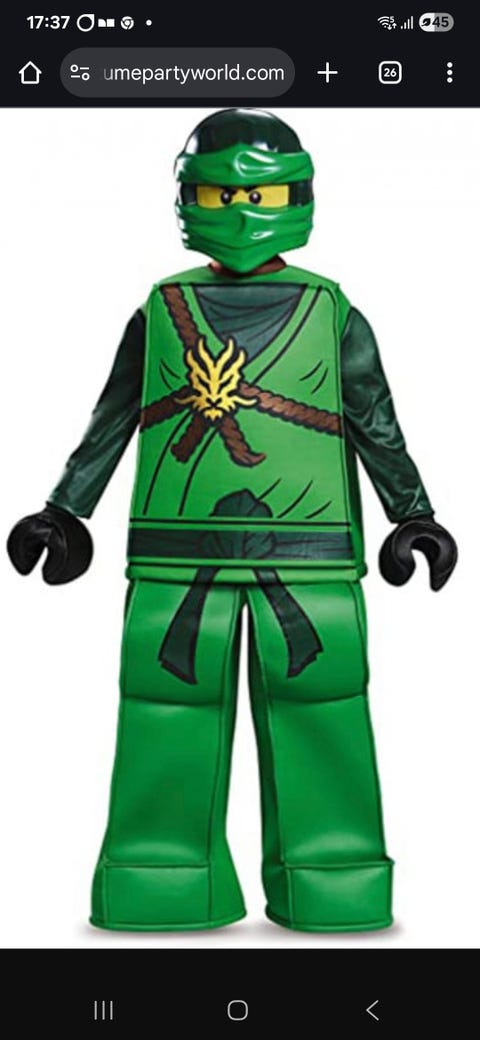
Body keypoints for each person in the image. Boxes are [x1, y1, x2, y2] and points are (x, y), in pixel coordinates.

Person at [7, 108, 457, 932]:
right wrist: (65, 510)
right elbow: (114, 417)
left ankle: (335, 881)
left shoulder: (330, 310)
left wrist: (412, 512)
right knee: (164, 714)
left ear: (297, 196)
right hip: (181, 554)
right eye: (220, 193)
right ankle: (159, 878)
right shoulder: (163, 308)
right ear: (189, 197)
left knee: (322, 711)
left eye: (261, 194)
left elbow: (373, 419)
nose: (241, 211)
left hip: (308, 550)